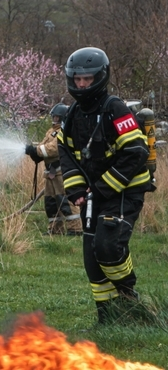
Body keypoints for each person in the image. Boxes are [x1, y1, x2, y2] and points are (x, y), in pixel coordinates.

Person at [57, 47, 151, 325]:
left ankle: (128, 296)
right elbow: (66, 151)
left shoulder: (115, 108)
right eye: (77, 79)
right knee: (92, 259)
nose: (82, 84)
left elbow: (136, 152)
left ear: (100, 77)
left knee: (108, 245)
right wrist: (75, 190)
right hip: (93, 195)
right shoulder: (73, 114)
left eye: (87, 78)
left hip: (125, 190)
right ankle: (108, 320)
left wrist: (100, 190)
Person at [25, 103, 82, 236]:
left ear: (63, 117)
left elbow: (54, 148)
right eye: (54, 117)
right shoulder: (51, 131)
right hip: (50, 172)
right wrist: (34, 152)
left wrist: (36, 150)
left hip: (61, 171)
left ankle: (75, 229)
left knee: (66, 200)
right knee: (51, 202)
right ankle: (55, 229)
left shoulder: (66, 130)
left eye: (57, 117)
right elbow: (44, 145)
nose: (55, 119)